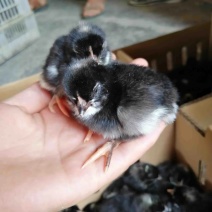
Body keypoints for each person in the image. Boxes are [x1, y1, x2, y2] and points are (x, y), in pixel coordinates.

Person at [0, 58, 166, 212]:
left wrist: (115, 140)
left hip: (147, 101)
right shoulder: (84, 95)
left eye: (87, 101)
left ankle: (119, 138)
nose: (80, 108)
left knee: (128, 114)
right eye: (75, 100)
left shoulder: (124, 109)